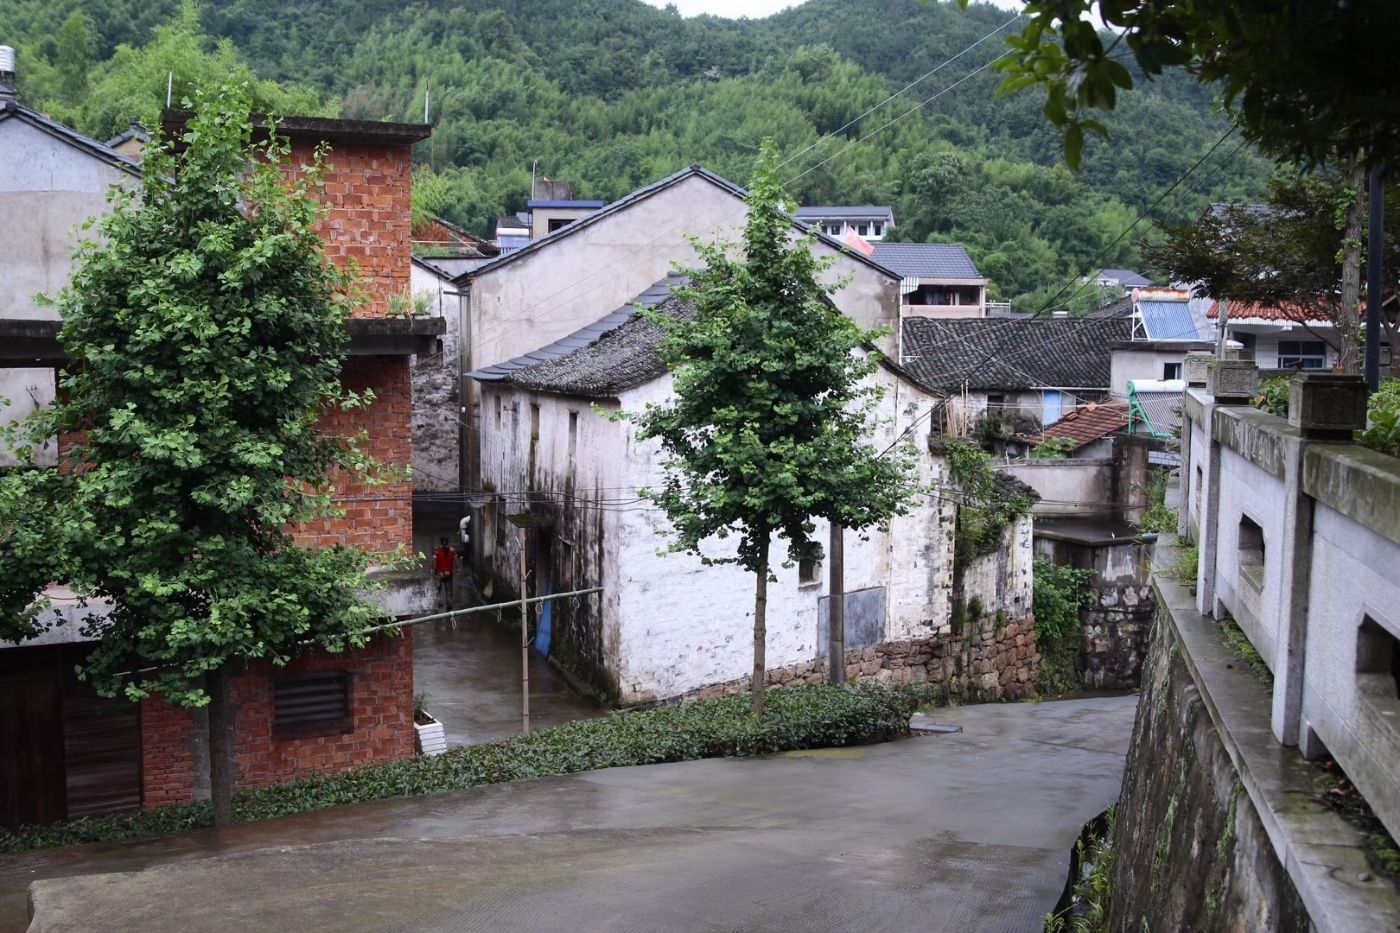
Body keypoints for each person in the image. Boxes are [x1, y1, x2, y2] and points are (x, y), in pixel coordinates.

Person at [432, 536, 455, 609]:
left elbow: (435, 562)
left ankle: (439, 604)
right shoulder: (452, 550)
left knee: (438, 590)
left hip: (440, 574)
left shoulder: (437, 551)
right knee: (448, 591)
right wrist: (453, 570)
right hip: (448, 573)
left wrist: (435, 571)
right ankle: (449, 606)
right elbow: (455, 561)